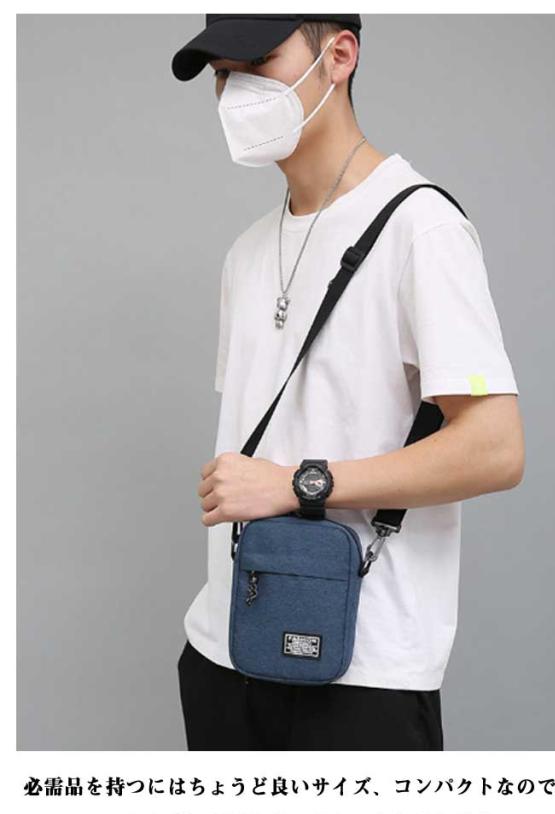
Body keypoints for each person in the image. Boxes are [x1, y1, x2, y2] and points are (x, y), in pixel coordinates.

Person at [171, 13, 525, 751]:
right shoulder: (246, 253)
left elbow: (497, 449)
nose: (235, 91)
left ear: (338, 56)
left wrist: (298, 484)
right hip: (223, 652)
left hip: (361, 673)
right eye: (222, 74)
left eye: (258, 63)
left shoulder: (421, 229)